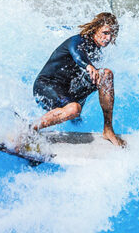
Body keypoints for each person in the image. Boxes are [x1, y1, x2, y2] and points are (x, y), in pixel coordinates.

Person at [32, 12, 126, 147]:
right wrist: (88, 66)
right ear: (96, 29)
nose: (108, 38)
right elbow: (77, 54)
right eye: (105, 33)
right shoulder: (77, 40)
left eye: (112, 35)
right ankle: (29, 129)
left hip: (66, 91)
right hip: (46, 86)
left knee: (106, 75)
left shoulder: (96, 51)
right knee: (73, 109)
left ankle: (108, 129)